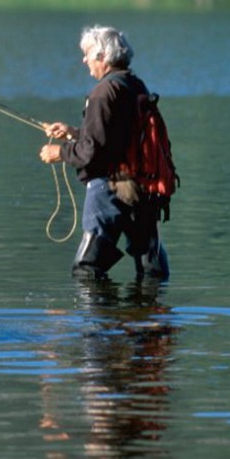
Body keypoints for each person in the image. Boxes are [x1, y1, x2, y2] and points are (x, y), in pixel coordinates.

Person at [39, 25, 169, 281]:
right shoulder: (133, 84)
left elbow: (91, 153)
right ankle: (147, 317)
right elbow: (116, 137)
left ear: (102, 56)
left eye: (87, 54)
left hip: (109, 189)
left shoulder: (102, 92)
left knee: (87, 269)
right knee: (150, 268)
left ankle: (100, 322)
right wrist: (75, 133)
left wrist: (59, 152)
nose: (84, 59)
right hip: (142, 187)